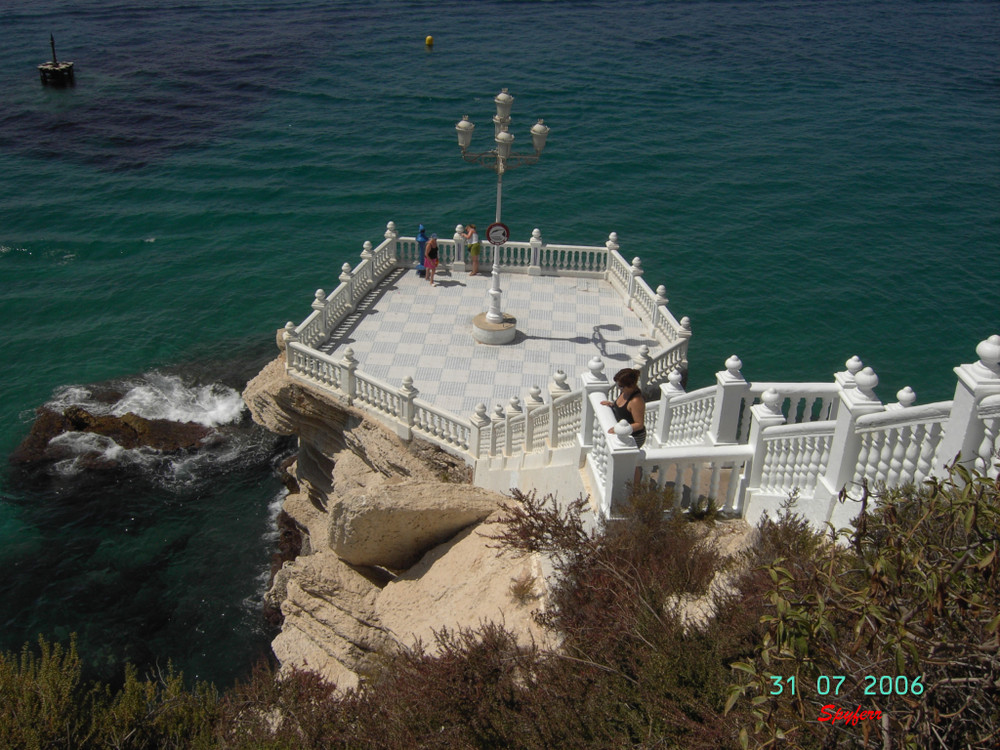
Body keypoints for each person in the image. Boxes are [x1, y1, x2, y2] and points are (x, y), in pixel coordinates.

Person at [601, 368, 646, 448]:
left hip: (634, 437)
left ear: (631, 385)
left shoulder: (636, 401)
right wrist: (612, 405)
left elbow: (639, 424)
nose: (618, 388)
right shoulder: (625, 391)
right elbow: (623, 411)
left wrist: (618, 430)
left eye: (621, 386)